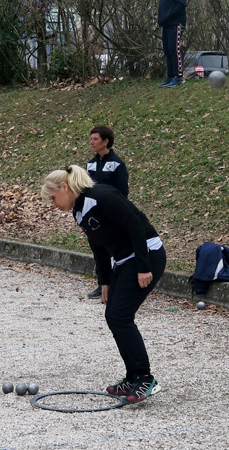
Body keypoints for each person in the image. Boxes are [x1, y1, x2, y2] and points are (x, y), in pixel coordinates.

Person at [41, 165, 166, 403]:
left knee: (120, 316)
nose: (54, 205)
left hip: (146, 255)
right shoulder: (78, 210)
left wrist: (143, 267)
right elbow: (98, 245)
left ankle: (146, 378)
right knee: (113, 316)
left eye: (54, 198)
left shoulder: (101, 197)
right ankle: (132, 377)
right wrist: (105, 281)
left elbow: (135, 226)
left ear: (65, 188)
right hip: (125, 260)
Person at [84, 125, 129, 298]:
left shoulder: (117, 164)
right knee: (97, 250)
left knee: (115, 251)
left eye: (95, 139)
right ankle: (102, 283)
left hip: (112, 215)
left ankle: (117, 285)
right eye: (91, 139)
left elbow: (123, 192)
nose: (91, 142)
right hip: (94, 216)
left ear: (106, 141)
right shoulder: (90, 165)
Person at [157, 0, 188, 88]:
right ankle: (170, 76)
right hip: (166, 24)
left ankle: (178, 76)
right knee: (167, 50)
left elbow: (181, 4)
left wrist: (169, 16)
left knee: (174, 49)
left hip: (175, 23)